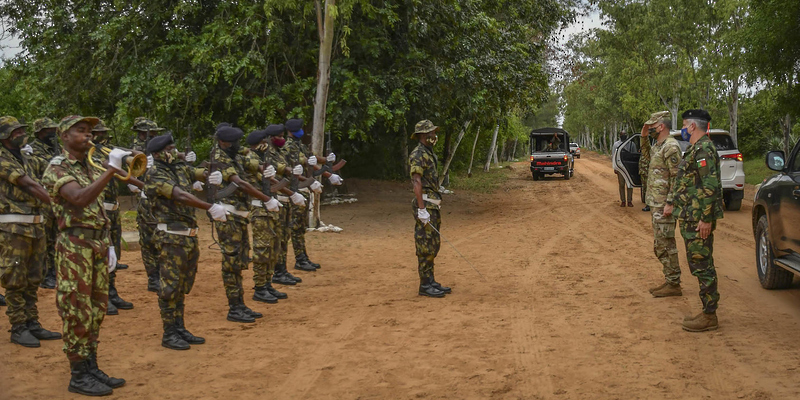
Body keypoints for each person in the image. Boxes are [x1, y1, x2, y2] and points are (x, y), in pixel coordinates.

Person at [42, 115, 128, 396]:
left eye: (89, 131)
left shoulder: (91, 166)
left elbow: (99, 210)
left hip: (97, 246)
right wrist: (110, 170)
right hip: (74, 247)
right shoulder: (57, 168)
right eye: (81, 131)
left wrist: (110, 244)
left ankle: (91, 365)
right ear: (64, 136)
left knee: (97, 309)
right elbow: (79, 198)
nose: (88, 135)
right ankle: (78, 374)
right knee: (77, 310)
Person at [143, 134, 227, 349]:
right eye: (170, 148)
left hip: (187, 236)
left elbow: (195, 172)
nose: (174, 151)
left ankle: (179, 327)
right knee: (169, 287)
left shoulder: (179, 168)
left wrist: (211, 175)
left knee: (181, 286)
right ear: (158, 153)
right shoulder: (155, 173)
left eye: (174, 147)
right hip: (170, 237)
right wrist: (209, 207)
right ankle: (169, 332)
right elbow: (179, 195)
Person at [208, 125, 281, 323]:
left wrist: (263, 167)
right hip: (228, 216)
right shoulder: (220, 158)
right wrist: (266, 198)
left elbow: (250, 156)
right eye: (233, 142)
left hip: (239, 216)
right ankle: (234, 307)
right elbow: (240, 183)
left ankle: (240, 304)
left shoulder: (233, 153)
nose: (237, 145)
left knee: (239, 262)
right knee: (231, 264)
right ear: (223, 142)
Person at [0, 116, 62, 348]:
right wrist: (60, 204)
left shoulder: (27, 158)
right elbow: (30, 185)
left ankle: (32, 322)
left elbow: (49, 172)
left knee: (34, 277)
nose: (20, 134)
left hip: (35, 226)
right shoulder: (2, 160)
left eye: (21, 130)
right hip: (13, 228)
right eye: (15, 131)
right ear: (4, 136)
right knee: (15, 279)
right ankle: (18, 327)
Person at [665, 109, 723, 332]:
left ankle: (710, 315)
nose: (682, 129)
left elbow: (710, 186)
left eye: (684, 125)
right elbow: (687, 182)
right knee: (697, 263)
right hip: (691, 215)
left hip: (699, 218)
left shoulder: (704, 150)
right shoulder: (695, 149)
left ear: (692, 127)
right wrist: (673, 202)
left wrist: (706, 219)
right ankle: (708, 311)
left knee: (702, 265)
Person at [242, 127, 305, 303]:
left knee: (273, 247)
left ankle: (267, 283)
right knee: (262, 249)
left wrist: (292, 187)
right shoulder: (251, 159)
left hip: (270, 207)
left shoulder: (263, 158)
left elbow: (275, 175)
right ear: (261, 143)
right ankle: (260, 287)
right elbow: (255, 180)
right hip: (259, 208)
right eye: (264, 142)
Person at [90, 121, 136, 315]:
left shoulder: (105, 152)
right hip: (99, 209)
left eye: (104, 133)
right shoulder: (88, 155)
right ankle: (100, 296)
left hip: (113, 209)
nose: (102, 137)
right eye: (98, 134)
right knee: (101, 255)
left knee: (113, 253)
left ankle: (111, 291)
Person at [640, 111, 682, 298]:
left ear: (661, 126)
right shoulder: (659, 145)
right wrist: (643, 136)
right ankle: (670, 280)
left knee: (666, 244)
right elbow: (646, 156)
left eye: (652, 127)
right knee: (660, 244)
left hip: (664, 203)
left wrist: (670, 203)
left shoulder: (671, 147)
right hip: (656, 203)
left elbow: (677, 177)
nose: (650, 130)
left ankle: (673, 283)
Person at [409, 119, 451, 298]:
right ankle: (425, 285)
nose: (435, 136)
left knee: (433, 244)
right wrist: (421, 209)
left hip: (432, 204)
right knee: (425, 245)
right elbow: (416, 181)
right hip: (425, 204)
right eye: (431, 133)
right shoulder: (418, 154)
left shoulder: (428, 152)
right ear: (423, 135)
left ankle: (430, 280)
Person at [26, 117, 61, 289]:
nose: (53, 133)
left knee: (56, 237)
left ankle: (55, 271)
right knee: (45, 238)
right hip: (43, 199)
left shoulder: (57, 148)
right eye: (49, 130)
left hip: (59, 197)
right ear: (40, 132)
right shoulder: (32, 149)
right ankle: (46, 274)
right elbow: (36, 170)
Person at [267, 125, 304, 286]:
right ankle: (277, 271)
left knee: (285, 235)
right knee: (279, 236)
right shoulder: (268, 153)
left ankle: (282, 270)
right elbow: (277, 169)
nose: (282, 139)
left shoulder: (280, 152)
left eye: (283, 135)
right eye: (279, 136)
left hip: (285, 196)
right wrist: (290, 170)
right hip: (278, 198)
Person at [284, 118, 322, 272]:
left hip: (303, 188)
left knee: (301, 227)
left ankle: (303, 257)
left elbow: (311, 161)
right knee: (296, 227)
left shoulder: (300, 145)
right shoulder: (287, 147)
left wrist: (326, 170)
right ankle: (299, 259)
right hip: (295, 189)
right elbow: (289, 170)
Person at [130, 117, 163, 293]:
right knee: (149, 240)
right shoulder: (134, 150)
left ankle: (161, 273)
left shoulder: (157, 147)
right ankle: (153, 277)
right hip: (146, 198)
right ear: (142, 133)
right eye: (151, 133)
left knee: (161, 236)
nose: (154, 136)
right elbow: (129, 176)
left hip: (161, 198)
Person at [611, 131, 633, 207]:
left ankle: (629, 201)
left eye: (625, 134)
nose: (624, 136)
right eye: (622, 135)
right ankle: (623, 201)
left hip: (629, 167)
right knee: (621, 184)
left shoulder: (631, 144)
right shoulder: (616, 144)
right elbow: (614, 156)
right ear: (619, 135)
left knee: (629, 184)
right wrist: (615, 167)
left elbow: (635, 154)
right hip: (620, 167)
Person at [639, 123, 653, 212]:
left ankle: (649, 204)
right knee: (645, 188)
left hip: (648, 173)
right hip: (644, 173)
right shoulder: (649, 152)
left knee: (648, 189)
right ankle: (646, 202)